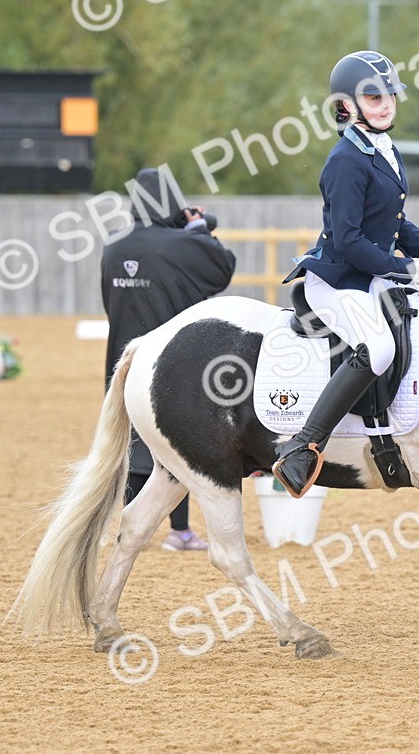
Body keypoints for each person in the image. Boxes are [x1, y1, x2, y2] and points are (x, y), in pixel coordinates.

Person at [272, 50, 419, 498]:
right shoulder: (345, 160)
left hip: (369, 274)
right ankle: (303, 447)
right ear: (347, 105)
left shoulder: (383, 149)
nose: (386, 105)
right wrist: (403, 267)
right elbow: (348, 240)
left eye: (390, 96)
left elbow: (394, 226)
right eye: (374, 98)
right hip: (338, 278)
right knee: (377, 346)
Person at [101, 167, 237, 550]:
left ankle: (132, 524)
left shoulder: (114, 244)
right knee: (182, 440)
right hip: (174, 358)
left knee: (131, 437)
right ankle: (179, 531)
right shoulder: (181, 244)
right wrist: (198, 232)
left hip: (122, 352)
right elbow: (222, 268)